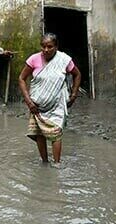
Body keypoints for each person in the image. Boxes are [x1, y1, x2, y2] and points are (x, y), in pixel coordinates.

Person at [18, 33, 82, 164]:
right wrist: (29, 102)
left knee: (56, 133)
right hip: (36, 106)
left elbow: (77, 74)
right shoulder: (34, 59)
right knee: (39, 134)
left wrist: (74, 95)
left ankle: (57, 164)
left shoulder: (63, 60)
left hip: (56, 105)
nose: (46, 50)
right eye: (43, 46)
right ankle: (45, 162)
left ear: (56, 47)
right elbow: (21, 79)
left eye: (49, 47)